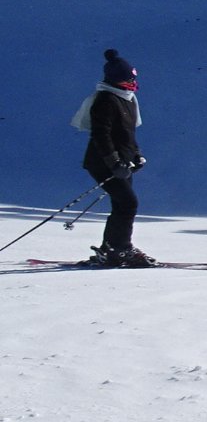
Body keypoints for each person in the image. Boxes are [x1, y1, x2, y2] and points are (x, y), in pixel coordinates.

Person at [72, 49, 153, 267]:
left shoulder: (128, 99)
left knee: (122, 204)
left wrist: (136, 155)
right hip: (103, 162)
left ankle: (112, 249)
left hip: (122, 163)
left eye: (133, 78)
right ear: (116, 79)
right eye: (128, 79)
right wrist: (114, 162)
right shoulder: (105, 100)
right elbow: (101, 135)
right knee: (128, 203)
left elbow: (127, 134)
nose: (132, 82)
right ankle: (120, 249)